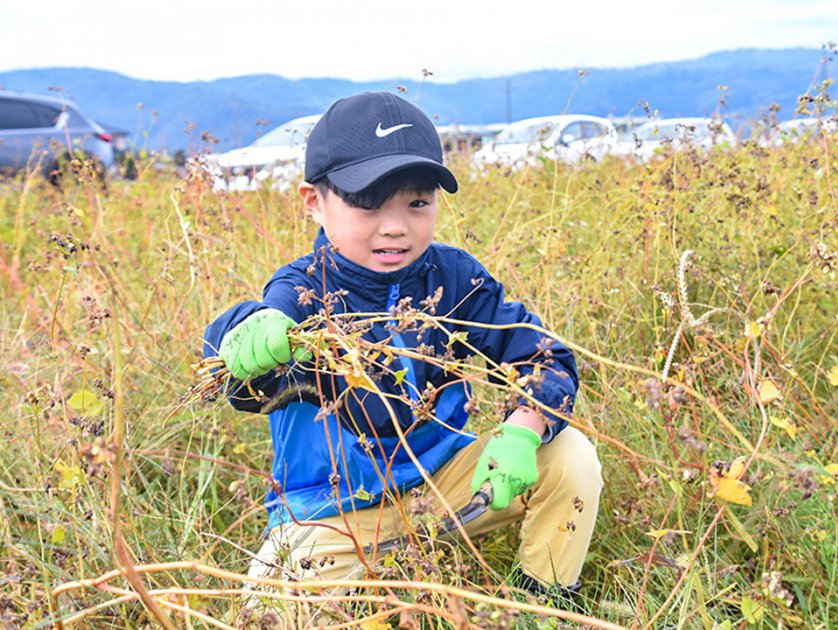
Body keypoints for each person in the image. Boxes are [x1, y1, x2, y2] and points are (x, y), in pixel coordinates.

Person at [203, 91, 603, 620]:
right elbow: (236, 368)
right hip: (330, 520)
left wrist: (524, 430)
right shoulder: (301, 292)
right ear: (313, 202)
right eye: (368, 203)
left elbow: (544, 355)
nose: (396, 226)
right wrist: (240, 332)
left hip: (448, 492)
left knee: (569, 456)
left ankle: (542, 607)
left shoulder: (455, 278)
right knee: (266, 617)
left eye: (417, 202)